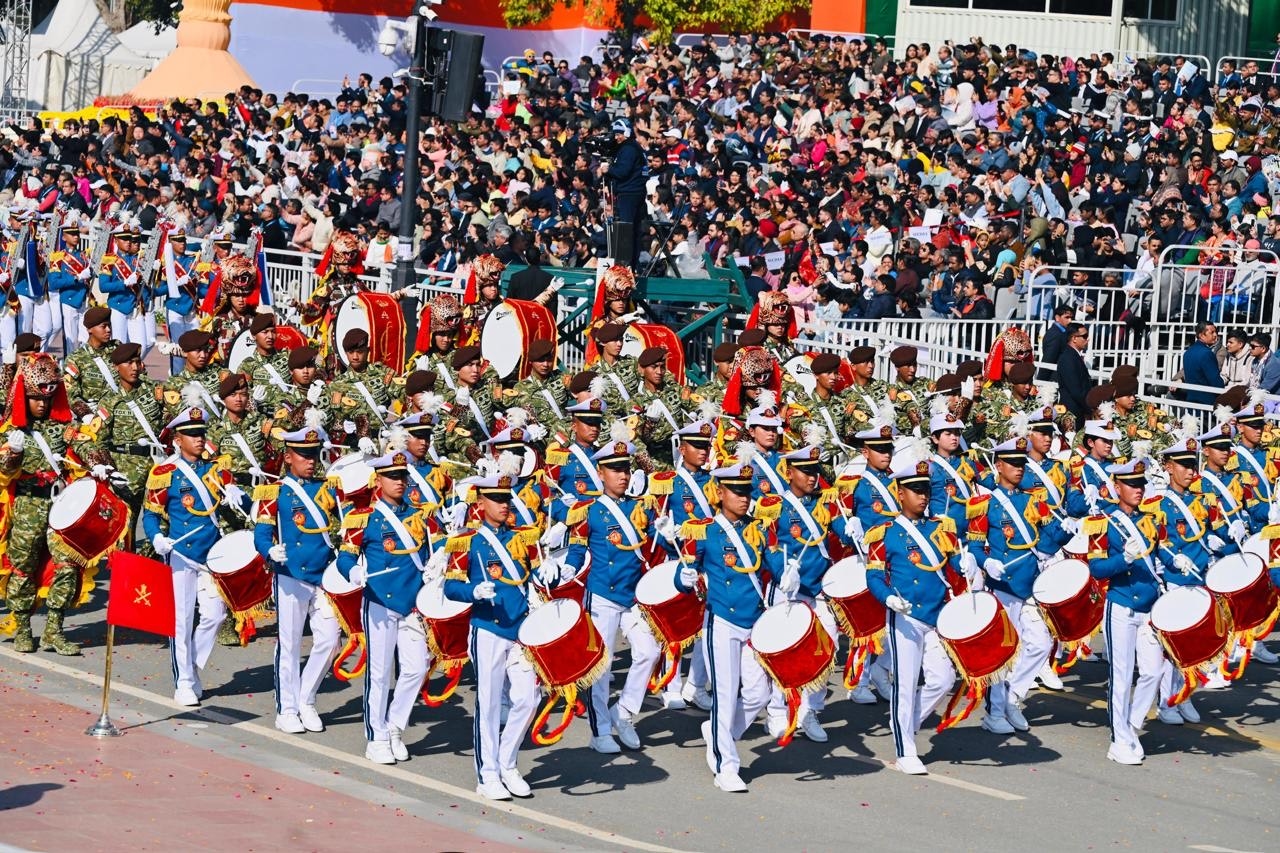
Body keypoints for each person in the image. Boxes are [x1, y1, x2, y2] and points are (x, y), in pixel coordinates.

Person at [674, 453, 779, 793]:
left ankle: (722, 734)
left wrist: (787, 575)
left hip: (754, 621)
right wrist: (685, 577)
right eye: (736, 491)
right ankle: (726, 765)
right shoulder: (703, 531)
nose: (744, 497)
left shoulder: (759, 529)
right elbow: (683, 570)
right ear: (719, 493)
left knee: (759, 693)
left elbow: (774, 566)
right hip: (721, 621)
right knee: (725, 693)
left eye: (747, 490)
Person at [564, 427, 671, 753]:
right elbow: (578, 548)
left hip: (632, 596)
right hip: (603, 596)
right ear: (601, 472)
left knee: (649, 652)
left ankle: (622, 713)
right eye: (615, 469)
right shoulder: (589, 510)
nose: (622, 476)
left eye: (625, 468)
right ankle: (600, 732)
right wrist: (568, 567)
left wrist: (667, 533)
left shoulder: (641, 507)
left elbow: (656, 548)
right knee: (603, 666)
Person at [864, 447, 965, 775]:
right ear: (900, 492)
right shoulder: (885, 532)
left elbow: (953, 566)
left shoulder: (941, 528)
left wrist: (967, 563)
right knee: (905, 683)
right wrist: (887, 598)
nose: (923, 496)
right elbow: (874, 575)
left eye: (926, 489)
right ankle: (906, 747)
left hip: (936, 617)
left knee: (943, 678)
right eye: (916, 490)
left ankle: (903, 722)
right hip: (904, 616)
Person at [443, 464, 541, 801]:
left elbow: (536, 574)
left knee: (529, 698)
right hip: (487, 629)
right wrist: (473, 591)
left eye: (506, 499)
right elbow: (450, 588)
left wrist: (550, 572)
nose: (503, 505)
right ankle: (487, 775)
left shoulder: (523, 537)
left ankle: (507, 762)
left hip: (519, 630)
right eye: (496, 499)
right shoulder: (465, 541)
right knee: (488, 704)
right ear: (480, 502)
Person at [336, 450, 435, 765]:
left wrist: (439, 562)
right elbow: (345, 557)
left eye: (403, 476)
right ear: (377, 479)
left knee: (416, 667)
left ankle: (394, 726)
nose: (400, 482)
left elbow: (438, 545)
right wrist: (352, 571)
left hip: (412, 604)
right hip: (379, 602)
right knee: (379, 673)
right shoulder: (364, 516)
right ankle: (376, 736)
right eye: (393, 476)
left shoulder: (418, 514)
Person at [252, 422, 341, 734]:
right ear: (288, 457)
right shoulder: (272, 492)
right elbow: (261, 533)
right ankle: (286, 708)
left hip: (323, 575)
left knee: (330, 640)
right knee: (289, 644)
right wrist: (268, 550)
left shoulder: (327, 488)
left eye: (314, 454)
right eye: (303, 455)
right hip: (290, 575)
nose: (311, 460)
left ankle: (306, 698)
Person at [0, 354, 89, 655]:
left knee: (66, 565)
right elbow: (3, 469)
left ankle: (54, 630)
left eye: (47, 398)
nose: (42, 404)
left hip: (59, 504)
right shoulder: (12, 429)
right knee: (23, 567)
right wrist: (12, 453)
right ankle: (23, 627)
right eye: (35, 398)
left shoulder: (60, 426)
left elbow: (81, 442)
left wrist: (99, 462)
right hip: (27, 505)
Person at [142, 406, 231, 706]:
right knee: (182, 620)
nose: (198, 439)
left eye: (201, 433)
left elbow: (233, 493)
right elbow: (151, 515)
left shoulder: (215, 468)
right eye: (191, 434)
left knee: (216, 614)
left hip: (211, 554)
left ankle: (190, 667)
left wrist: (236, 495)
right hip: (181, 552)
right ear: (177, 439)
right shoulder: (164, 473)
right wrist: (156, 538)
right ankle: (183, 681)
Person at [1089, 458, 1166, 765]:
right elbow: (1097, 568)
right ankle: (1118, 739)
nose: (1138, 489)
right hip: (1120, 604)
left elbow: (1162, 556)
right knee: (1120, 676)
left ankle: (1131, 726)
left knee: (1153, 671)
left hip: (1148, 606)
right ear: (1117, 486)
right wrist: (1125, 559)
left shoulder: (1150, 520)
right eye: (1132, 485)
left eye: (1141, 484)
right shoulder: (1102, 522)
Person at [604, 118, 646, 266]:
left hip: (630, 193)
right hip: (633, 192)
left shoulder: (628, 149)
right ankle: (630, 265)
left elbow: (623, 171)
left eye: (619, 133)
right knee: (630, 231)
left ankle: (625, 266)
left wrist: (608, 169)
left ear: (627, 132)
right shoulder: (632, 147)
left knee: (625, 230)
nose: (616, 137)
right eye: (615, 134)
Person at [1056, 322, 1094, 428]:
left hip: (1077, 411)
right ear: (1074, 338)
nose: (1087, 339)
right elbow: (1076, 390)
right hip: (1072, 413)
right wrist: (1090, 408)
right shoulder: (1068, 358)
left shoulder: (1073, 356)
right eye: (1084, 336)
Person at [1182, 322, 1224, 406]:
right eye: (1211, 332)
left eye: (1215, 332)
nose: (1215, 335)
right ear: (1201, 335)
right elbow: (1215, 381)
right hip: (1206, 402)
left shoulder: (1188, 352)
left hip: (1191, 400)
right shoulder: (1207, 353)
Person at [1038, 304, 1075, 380]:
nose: (1070, 320)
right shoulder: (1055, 335)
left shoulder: (1062, 332)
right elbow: (1048, 359)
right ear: (1057, 318)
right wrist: (1041, 382)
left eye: (1071, 318)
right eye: (1067, 317)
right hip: (1054, 379)